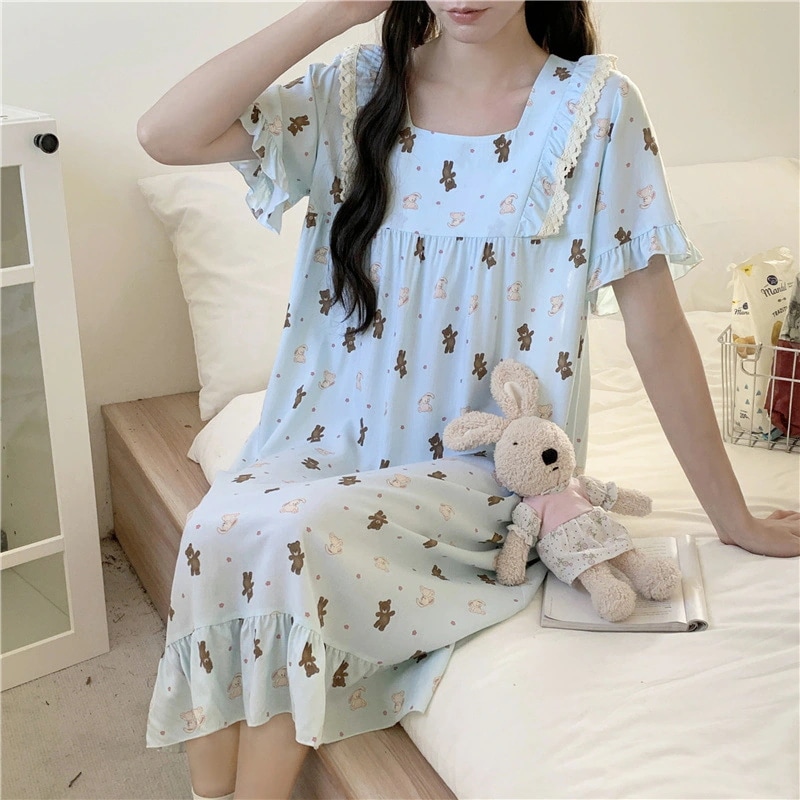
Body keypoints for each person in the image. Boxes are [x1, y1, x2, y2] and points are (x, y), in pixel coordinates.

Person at [137, 2, 800, 798]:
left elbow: (656, 329)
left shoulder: (594, 111)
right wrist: (337, 11)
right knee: (217, 530)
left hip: (486, 474)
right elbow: (165, 134)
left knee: (293, 537)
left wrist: (734, 518)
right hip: (325, 442)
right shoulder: (357, 93)